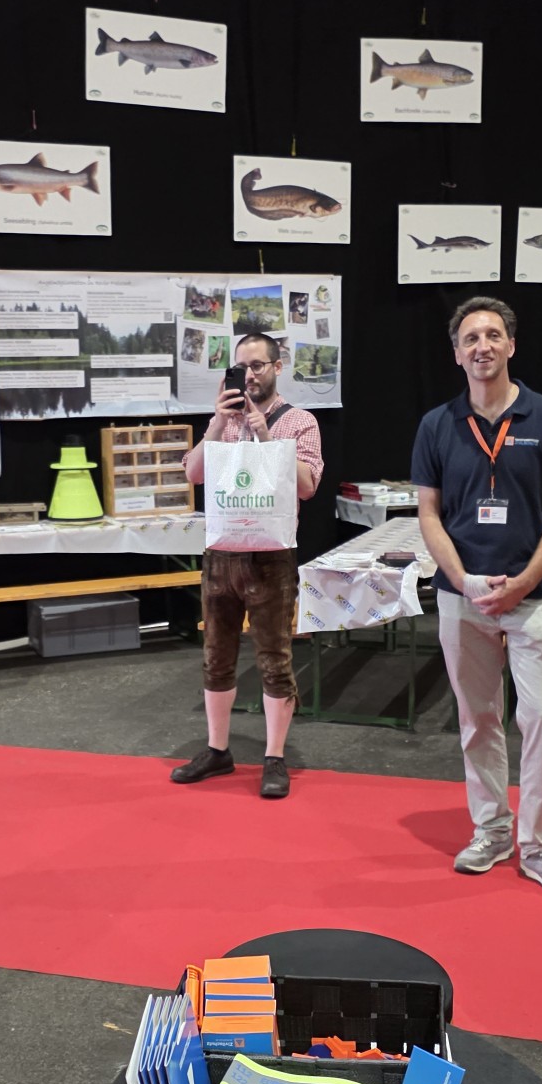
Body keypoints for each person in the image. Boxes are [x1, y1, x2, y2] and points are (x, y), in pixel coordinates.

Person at [411, 297, 542, 900]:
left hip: (535, 596)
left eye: (492, 335)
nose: (481, 346)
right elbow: (428, 513)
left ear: (511, 345)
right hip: (463, 597)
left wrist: (527, 580)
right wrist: (461, 579)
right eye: (470, 338)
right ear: (456, 353)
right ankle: (491, 830)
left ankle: (540, 847)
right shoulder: (437, 424)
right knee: (477, 719)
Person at [170, 332, 323, 800]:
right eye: (241, 367)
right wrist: (219, 423)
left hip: (271, 557)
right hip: (222, 554)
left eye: (258, 365)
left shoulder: (300, 421)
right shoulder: (224, 420)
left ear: (278, 367)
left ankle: (274, 757)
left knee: (274, 658)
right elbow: (193, 473)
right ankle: (218, 750)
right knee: (216, 656)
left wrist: (264, 434)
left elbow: (307, 486)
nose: (250, 375)